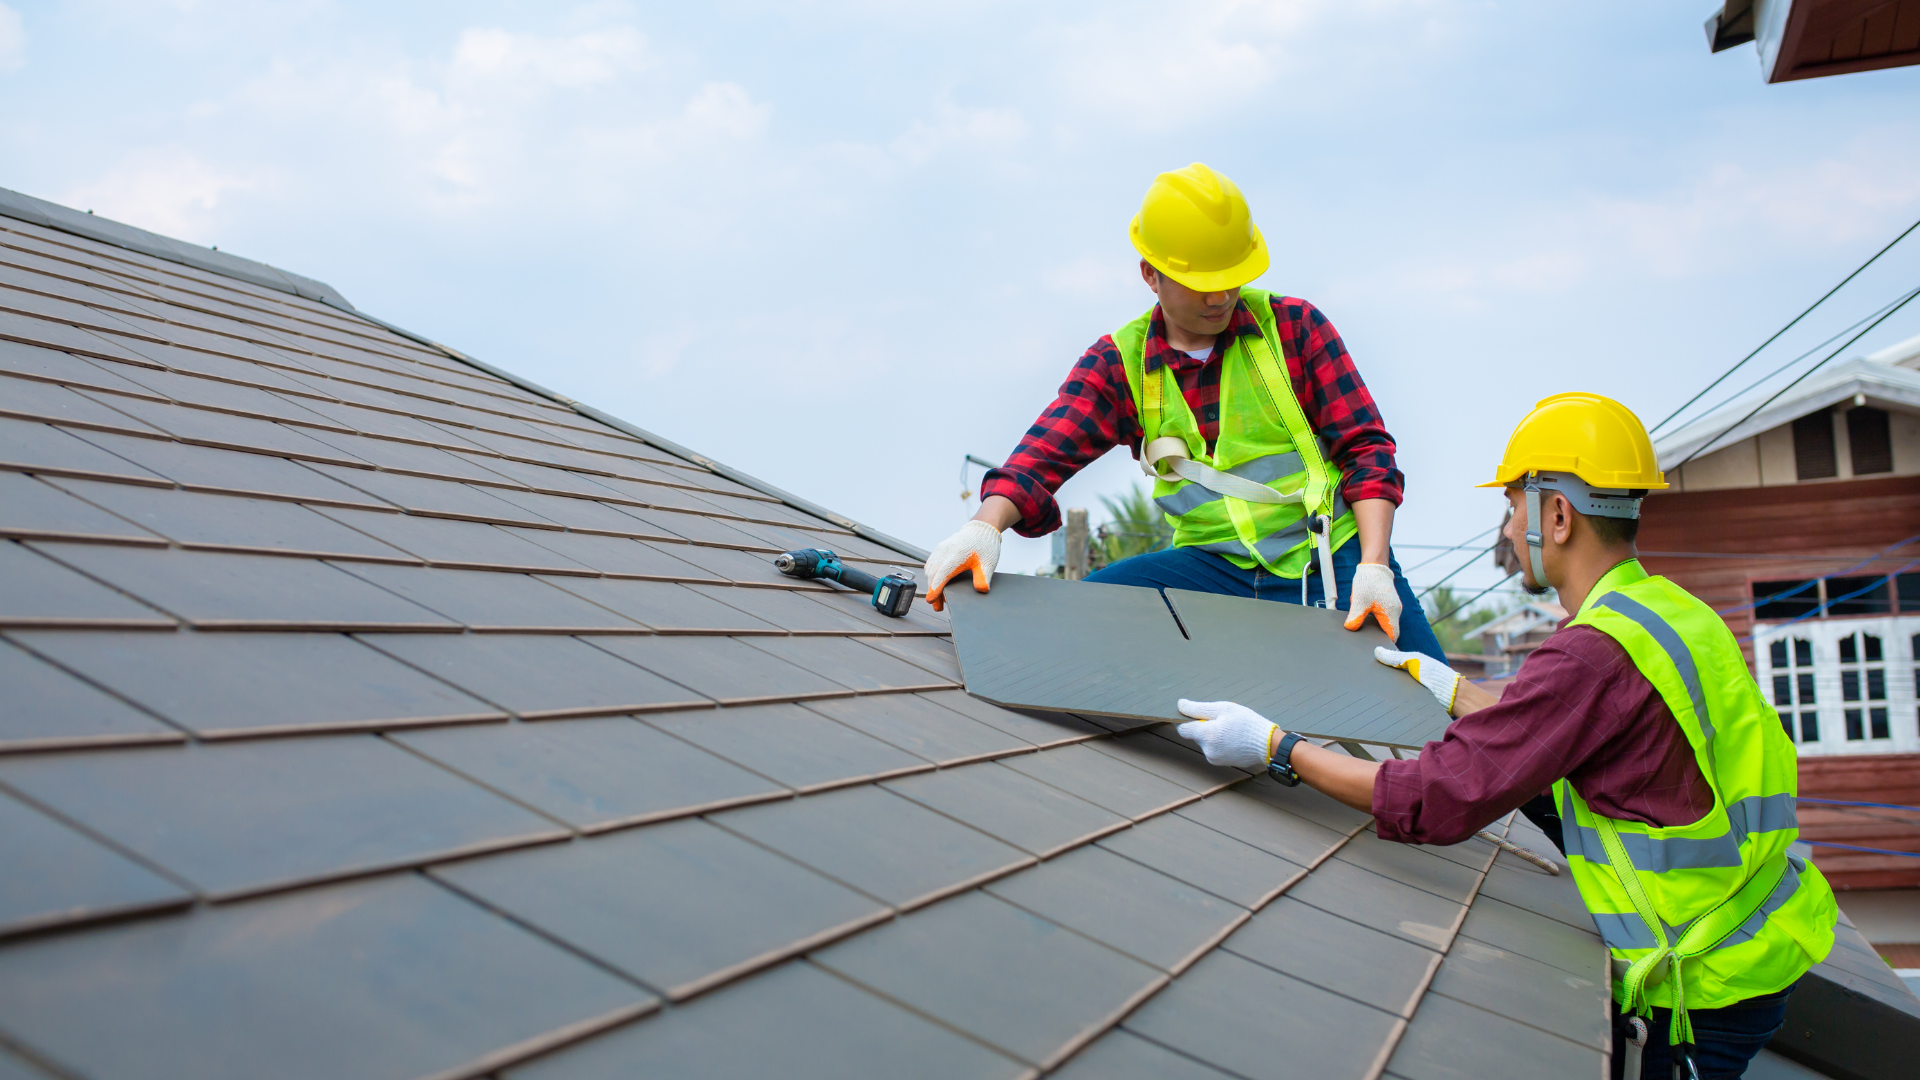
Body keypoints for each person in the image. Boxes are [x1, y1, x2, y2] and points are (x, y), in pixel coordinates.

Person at [1172, 392, 1838, 1080]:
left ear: (1557, 513)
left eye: (1512, 505)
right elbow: (1564, 729)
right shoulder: (1670, 613)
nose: (1509, 527)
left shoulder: (1591, 653)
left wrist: (1276, 746)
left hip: (1702, 984)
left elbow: (1436, 798)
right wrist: (1453, 690)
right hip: (1760, 934)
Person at [921, 162, 1446, 662]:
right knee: (1076, 623)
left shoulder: (1293, 328)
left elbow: (1367, 450)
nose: (1220, 297)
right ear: (1151, 275)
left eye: (1231, 277)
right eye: (1202, 282)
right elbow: (1043, 455)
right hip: (1210, 570)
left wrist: (1374, 564)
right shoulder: (1120, 362)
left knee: (1438, 712)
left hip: (1332, 561)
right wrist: (984, 528)